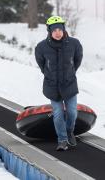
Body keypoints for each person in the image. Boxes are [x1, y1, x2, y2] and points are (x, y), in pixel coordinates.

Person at [35, 15, 83, 151]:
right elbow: (42, 65)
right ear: (49, 31)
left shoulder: (74, 44)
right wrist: (50, 75)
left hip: (69, 84)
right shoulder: (41, 47)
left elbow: (77, 60)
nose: (57, 32)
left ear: (63, 30)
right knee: (58, 113)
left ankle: (69, 131)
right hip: (52, 86)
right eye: (54, 30)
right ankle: (62, 140)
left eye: (60, 29)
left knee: (72, 112)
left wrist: (70, 73)